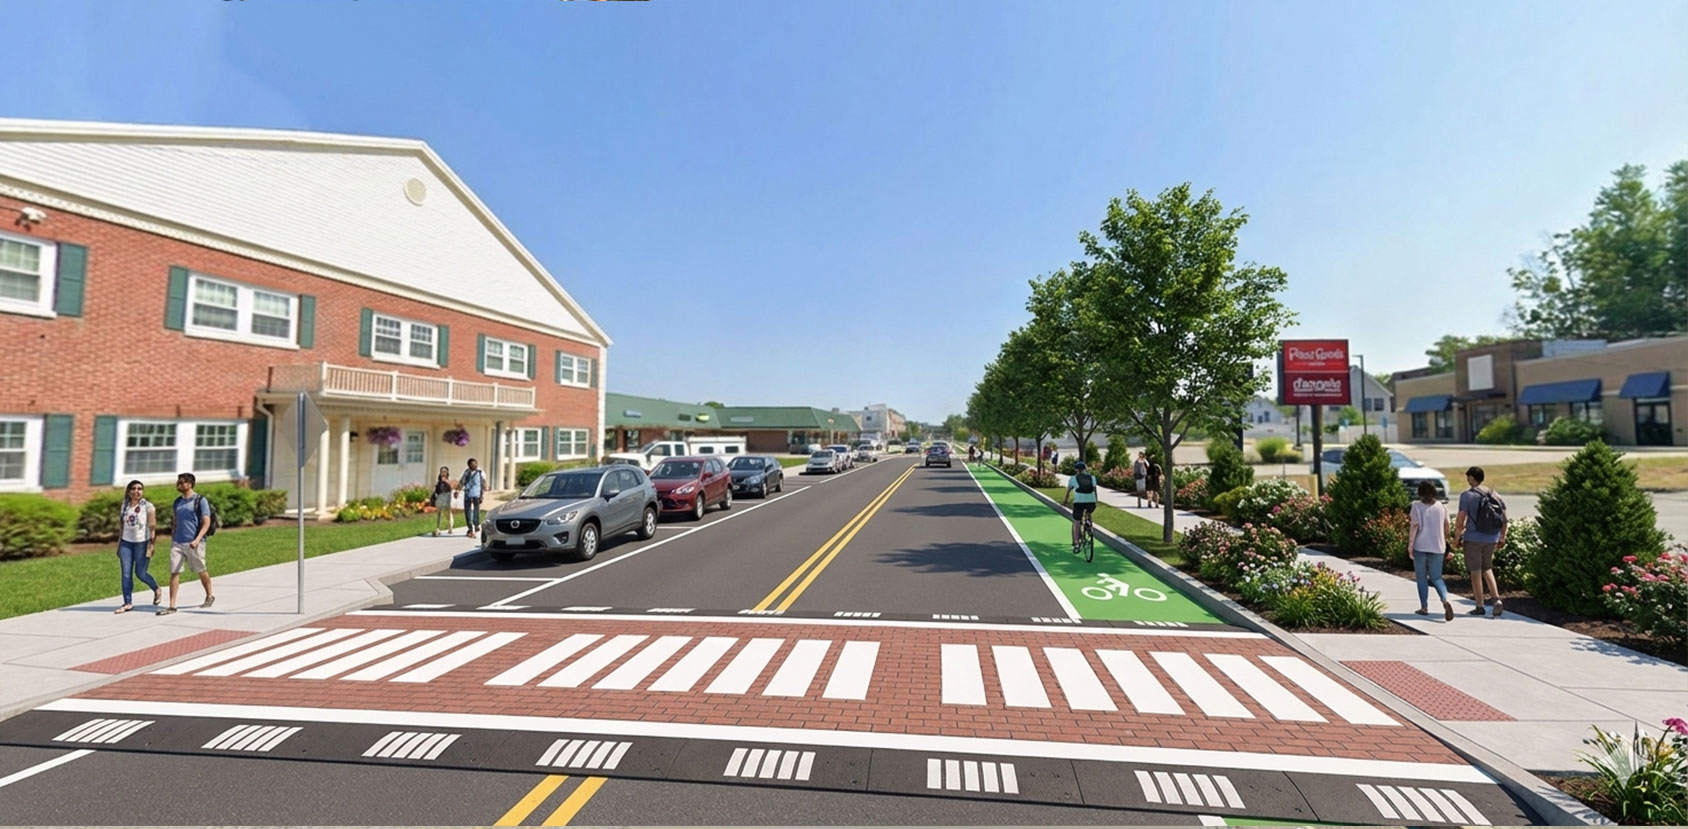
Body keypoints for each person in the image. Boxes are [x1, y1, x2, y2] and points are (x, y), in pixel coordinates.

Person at [1453, 465, 1507, 618]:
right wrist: (1502, 537)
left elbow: (1460, 520)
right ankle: (1496, 600)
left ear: (1471, 478)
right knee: (1487, 568)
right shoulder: (1494, 494)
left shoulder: (1467, 496)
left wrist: (1456, 538)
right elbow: (1504, 519)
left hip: (1473, 538)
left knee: (1475, 571)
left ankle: (1479, 605)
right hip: (1491, 538)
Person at [157, 472, 214, 616]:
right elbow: (175, 521)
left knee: (201, 570)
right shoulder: (177, 502)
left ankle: (209, 595)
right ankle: (172, 605)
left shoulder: (200, 500)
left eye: (183, 482)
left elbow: (206, 522)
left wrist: (197, 539)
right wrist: (173, 538)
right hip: (177, 542)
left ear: (190, 484)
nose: (180, 484)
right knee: (174, 572)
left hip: (194, 542)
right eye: (179, 482)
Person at [1408, 480, 1455, 621]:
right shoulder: (1441, 507)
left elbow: (1414, 526)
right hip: (1438, 546)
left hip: (1420, 546)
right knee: (1437, 577)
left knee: (1421, 578)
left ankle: (1424, 607)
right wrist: (1445, 540)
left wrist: (1410, 545)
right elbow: (1447, 527)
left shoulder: (1416, 506)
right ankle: (1445, 600)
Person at [114, 480, 161, 614]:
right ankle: (127, 602)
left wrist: (151, 547)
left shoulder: (148, 507)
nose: (137, 491)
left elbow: (152, 528)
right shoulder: (124, 506)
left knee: (140, 573)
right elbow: (121, 527)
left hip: (142, 542)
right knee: (126, 573)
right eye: (133, 489)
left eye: (139, 489)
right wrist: (119, 544)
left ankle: (156, 588)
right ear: (129, 491)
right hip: (126, 543)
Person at [1061, 461, 1099, 554]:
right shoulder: (1092, 478)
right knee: (1089, 513)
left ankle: (1077, 544)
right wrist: (1095, 500)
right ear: (1085, 469)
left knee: (1077, 521)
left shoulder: (1073, 478)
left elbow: (1068, 491)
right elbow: (1094, 490)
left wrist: (1065, 501)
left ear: (1076, 470)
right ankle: (1090, 527)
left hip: (1079, 503)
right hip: (1091, 502)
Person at [459, 458, 487, 538]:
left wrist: (483, 493)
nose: (475, 465)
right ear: (469, 465)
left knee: (476, 511)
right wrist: (457, 491)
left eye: (476, 464)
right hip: (467, 494)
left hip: (477, 494)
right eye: (473, 464)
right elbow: (462, 482)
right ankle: (470, 528)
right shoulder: (466, 472)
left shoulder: (480, 472)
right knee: (467, 512)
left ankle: (476, 525)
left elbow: (484, 482)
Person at [432, 466, 456, 537]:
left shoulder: (449, 481)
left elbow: (451, 488)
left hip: (447, 499)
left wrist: (446, 482)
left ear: (447, 473)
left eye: (445, 472)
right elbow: (437, 490)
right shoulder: (439, 481)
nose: (443, 473)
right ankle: (438, 528)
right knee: (439, 514)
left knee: (448, 514)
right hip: (440, 499)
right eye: (442, 471)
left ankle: (450, 527)